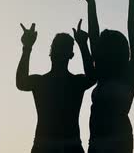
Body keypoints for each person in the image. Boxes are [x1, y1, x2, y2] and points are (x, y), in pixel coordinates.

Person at [80, 0, 134, 153]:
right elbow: (95, 35)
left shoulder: (131, 72)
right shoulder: (118, 73)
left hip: (117, 142)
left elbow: (133, 27)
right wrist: (90, 2)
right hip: (99, 141)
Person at [16, 19, 96, 153]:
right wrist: (82, 44)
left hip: (52, 145)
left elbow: (21, 82)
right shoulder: (75, 82)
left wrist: (27, 47)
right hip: (63, 145)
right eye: (57, 48)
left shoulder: (41, 82)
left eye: (60, 48)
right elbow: (92, 77)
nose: (57, 52)